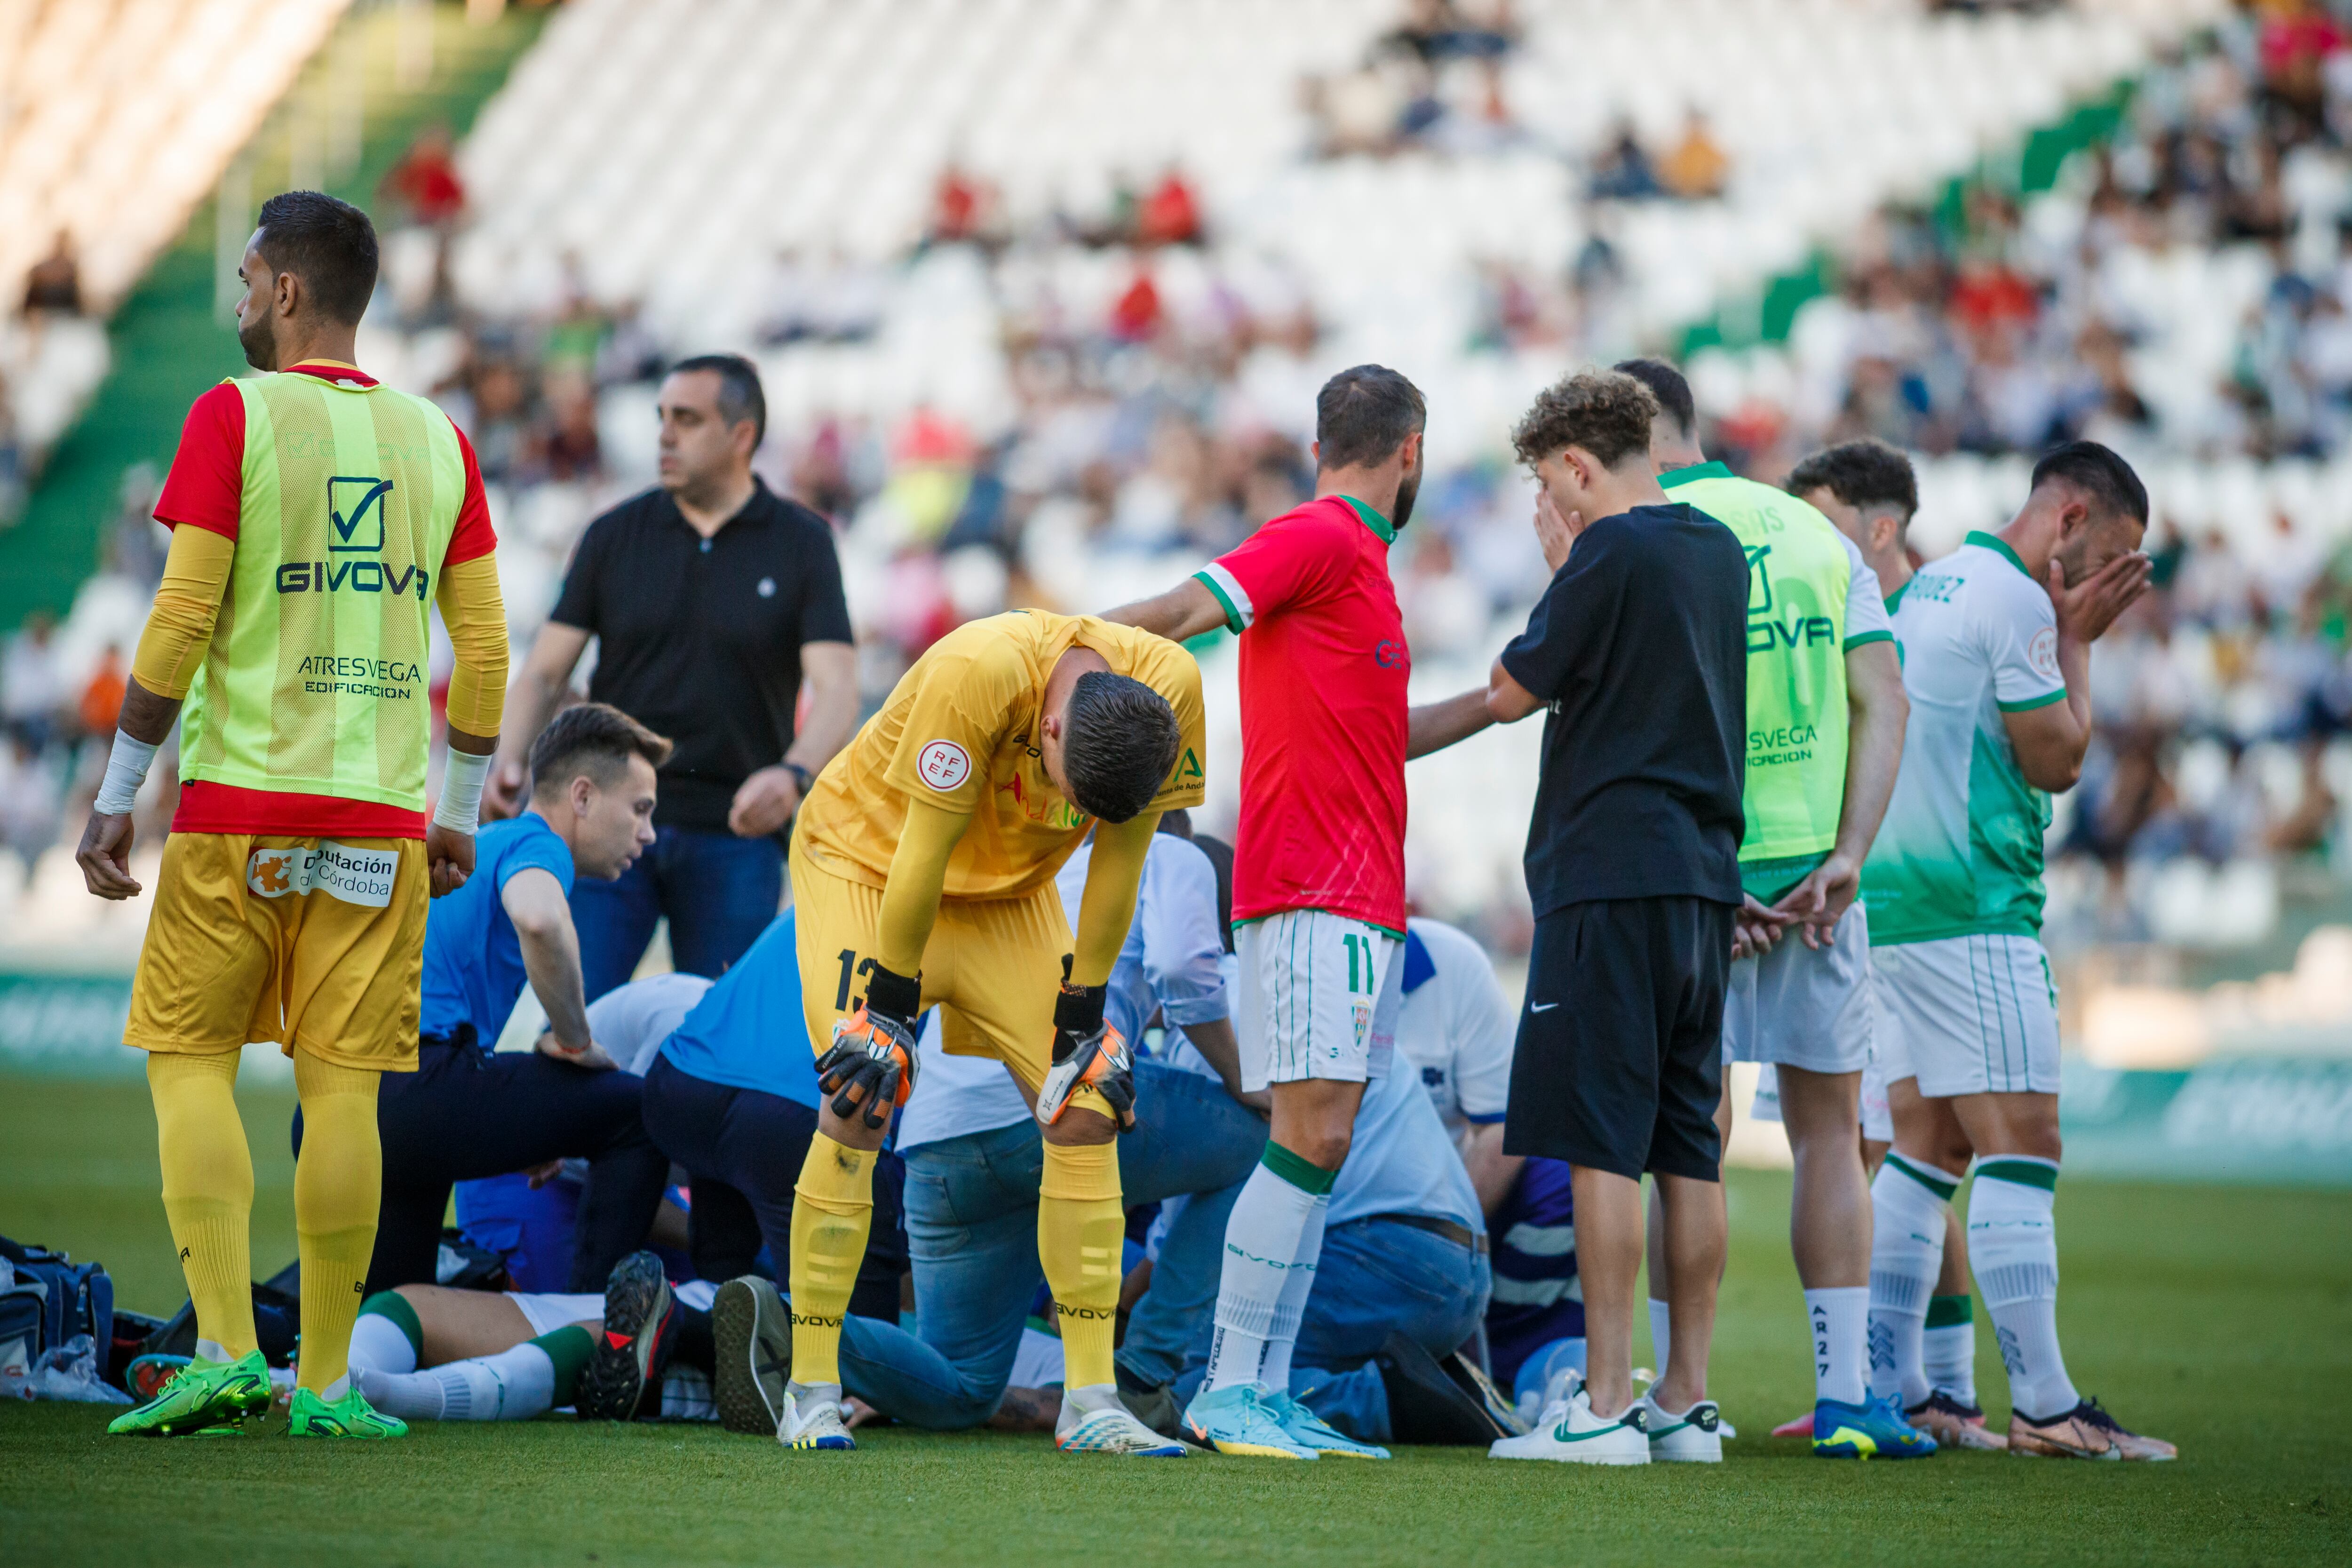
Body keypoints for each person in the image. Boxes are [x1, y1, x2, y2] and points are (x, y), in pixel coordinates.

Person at [79, 191, 508, 1440]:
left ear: (282, 292)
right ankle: (324, 1380)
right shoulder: (440, 440)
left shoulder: (235, 413)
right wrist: (461, 812)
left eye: (244, 279)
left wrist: (115, 798)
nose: (232, 303)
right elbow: (480, 650)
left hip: (239, 812)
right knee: (348, 1098)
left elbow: (179, 616)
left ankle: (223, 1348)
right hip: (378, 822)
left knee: (191, 1063)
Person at [1103, 364, 1493, 1459]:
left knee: (1312, 1141)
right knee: (1311, 1134)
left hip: (1350, 894)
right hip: (1318, 886)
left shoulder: (1358, 567)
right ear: (1409, 449)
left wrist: (1496, 703)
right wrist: (1050, 652)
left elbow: (1375, 732)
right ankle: (1230, 1387)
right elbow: (1186, 608)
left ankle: (1258, 1387)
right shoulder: (1323, 537)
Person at [778, 606, 1208, 1456]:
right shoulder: (976, 668)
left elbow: (1119, 869)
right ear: (1050, 726)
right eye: (1071, 793)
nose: (1071, 812)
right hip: (871, 866)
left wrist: (1086, 1015)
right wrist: (892, 1009)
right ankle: (810, 1385)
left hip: (1008, 898)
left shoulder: (1173, 689)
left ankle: (1090, 1400)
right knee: (863, 1086)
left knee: (1088, 1094)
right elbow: (920, 855)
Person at [1615, 360, 1928, 1461]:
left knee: (1682, 1136)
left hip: (1699, 877)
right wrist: (1846, 854)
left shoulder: (1640, 533)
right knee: (1826, 1136)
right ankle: (1847, 1398)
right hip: (1815, 884)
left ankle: (1675, 1394)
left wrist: (1704, 864)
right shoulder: (1816, 540)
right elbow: (1883, 699)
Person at [1859, 441, 2177, 1461]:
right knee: (2022, 1142)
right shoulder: (2016, 600)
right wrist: (2078, 641)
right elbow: (2060, 759)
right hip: (1973, 905)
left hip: (1889, 906)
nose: (2107, 581)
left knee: (1927, 1148)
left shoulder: (1930, 584)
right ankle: (2044, 1402)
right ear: (2073, 518)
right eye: (2113, 554)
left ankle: (1897, 1386)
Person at [779, 826, 1263, 1446]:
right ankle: (1145, 1374)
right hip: (1050, 1108)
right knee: (1254, 1137)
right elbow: (1179, 964)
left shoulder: (1028, 862)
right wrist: (1240, 1077)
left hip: (937, 1136)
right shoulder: (1170, 850)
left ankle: (785, 1320)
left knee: (962, 1388)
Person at [1480, 369, 1747, 1465]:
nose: (1557, 507)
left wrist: (1560, 564)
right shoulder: (1717, 548)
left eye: (1555, 487)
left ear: (1579, 467)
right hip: (1701, 880)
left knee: (1600, 1146)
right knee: (1689, 1148)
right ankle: (1686, 1402)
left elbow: (1510, 688)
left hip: (1609, 876)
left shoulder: (1603, 551)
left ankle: (1600, 1404)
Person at [484, 353, 857, 997]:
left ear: (742, 436)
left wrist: (794, 775)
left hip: (735, 833)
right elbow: (545, 671)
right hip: (605, 827)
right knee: (578, 1027)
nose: (664, 434)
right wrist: (508, 760)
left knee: (717, 1042)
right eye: (662, 417)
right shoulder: (613, 535)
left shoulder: (802, 543)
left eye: (687, 419)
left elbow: (839, 686)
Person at [1784, 439, 1999, 1448]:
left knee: (1905, 1153)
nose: (1806, 539)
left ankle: (1925, 1385)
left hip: (1918, 921)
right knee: (1893, 1154)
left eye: (1823, 519)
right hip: (1859, 917)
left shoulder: (1935, 620)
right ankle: (1913, 1385)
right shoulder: (1829, 613)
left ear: (1878, 528)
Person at [318, 703, 673, 1308]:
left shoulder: (487, 843)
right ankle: (594, 1330)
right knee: (635, 1112)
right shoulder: (538, 844)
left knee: (389, 1319)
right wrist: (575, 1042)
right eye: (640, 810)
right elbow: (539, 920)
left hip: (340, 1103)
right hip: (414, 1090)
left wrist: (542, 1109)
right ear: (582, 796)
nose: (649, 834)